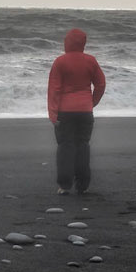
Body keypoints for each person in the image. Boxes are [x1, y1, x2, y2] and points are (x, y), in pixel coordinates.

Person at [46, 26, 106, 194]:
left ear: (68, 43)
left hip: (65, 112)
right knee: (82, 145)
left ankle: (65, 186)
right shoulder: (91, 61)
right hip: (85, 111)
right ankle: (82, 185)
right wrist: (92, 102)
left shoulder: (60, 62)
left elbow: (54, 90)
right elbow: (101, 84)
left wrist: (53, 114)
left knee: (66, 146)